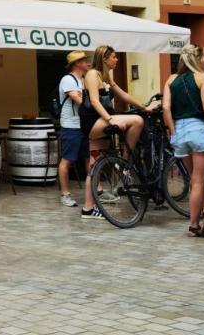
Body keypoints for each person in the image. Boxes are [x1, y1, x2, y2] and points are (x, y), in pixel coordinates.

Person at [78, 45, 154, 220]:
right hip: (93, 123)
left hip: (101, 121)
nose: (116, 59)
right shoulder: (92, 75)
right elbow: (95, 102)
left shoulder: (105, 76)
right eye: (113, 57)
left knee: (94, 165)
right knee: (137, 121)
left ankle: (88, 209)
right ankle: (125, 161)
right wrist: (110, 120)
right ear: (104, 58)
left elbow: (123, 95)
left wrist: (144, 107)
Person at [162, 45, 204, 238]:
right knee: (199, 180)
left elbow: (166, 108)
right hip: (199, 129)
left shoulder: (171, 79)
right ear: (197, 59)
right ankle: (193, 225)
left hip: (179, 131)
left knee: (193, 179)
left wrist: (172, 131)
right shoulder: (203, 78)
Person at [57, 51, 90, 208]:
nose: (88, 62)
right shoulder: (68, 80)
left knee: (90, 158)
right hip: (71, 125)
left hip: (84, 125)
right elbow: (79, 101)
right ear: (77, 63)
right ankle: (65, 194)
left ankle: (98, 191)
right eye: (84, 60)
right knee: (67, 159)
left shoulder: (84, 80)